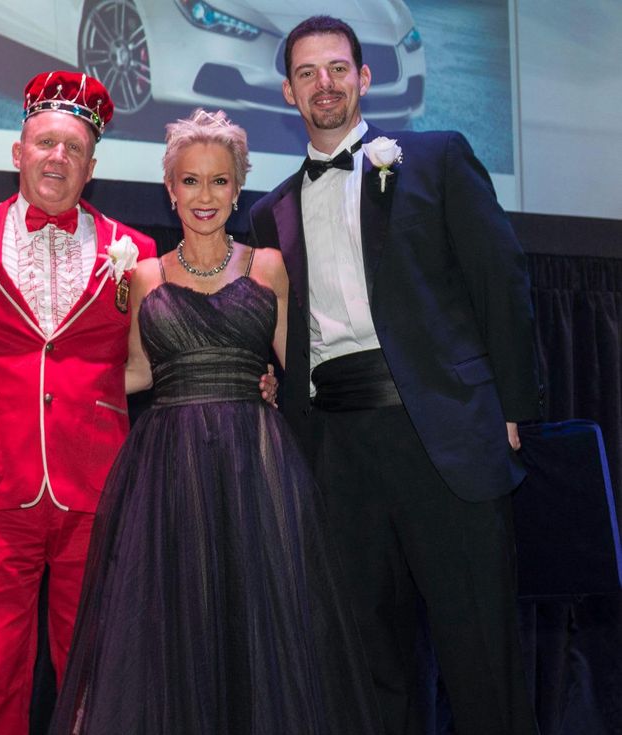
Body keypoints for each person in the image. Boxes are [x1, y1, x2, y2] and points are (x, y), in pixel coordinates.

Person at [249, 15, 541, 735]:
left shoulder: (436, 158)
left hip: (441, 432)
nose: (326, 84)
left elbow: (499, 279)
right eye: (309, 73)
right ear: (288, 91)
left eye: (339, 69)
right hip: (336, 453)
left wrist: (515, 405)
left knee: (482, 656)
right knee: (367, 667)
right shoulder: (268, 211)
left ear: (364, 78)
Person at [49, 108, 382, 734]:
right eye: (192, 181)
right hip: (167, 468)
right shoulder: (145, 276)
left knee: (258, 625)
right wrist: (57, 382)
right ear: (170, 188)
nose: (206, 196)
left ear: (239, 185)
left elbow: (299, 370)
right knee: (173, 629)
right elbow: (139, 372)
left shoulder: (270, 267)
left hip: (256, 469)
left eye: (221, 181)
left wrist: (284, 390)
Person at [0, 71, 158, 735]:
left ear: (93, 166)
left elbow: (153, 359)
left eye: (73, 148)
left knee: (91, 661)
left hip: (94, 479)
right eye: (44, 143)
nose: (56, 157)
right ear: (17, 152)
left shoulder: (138, 252)